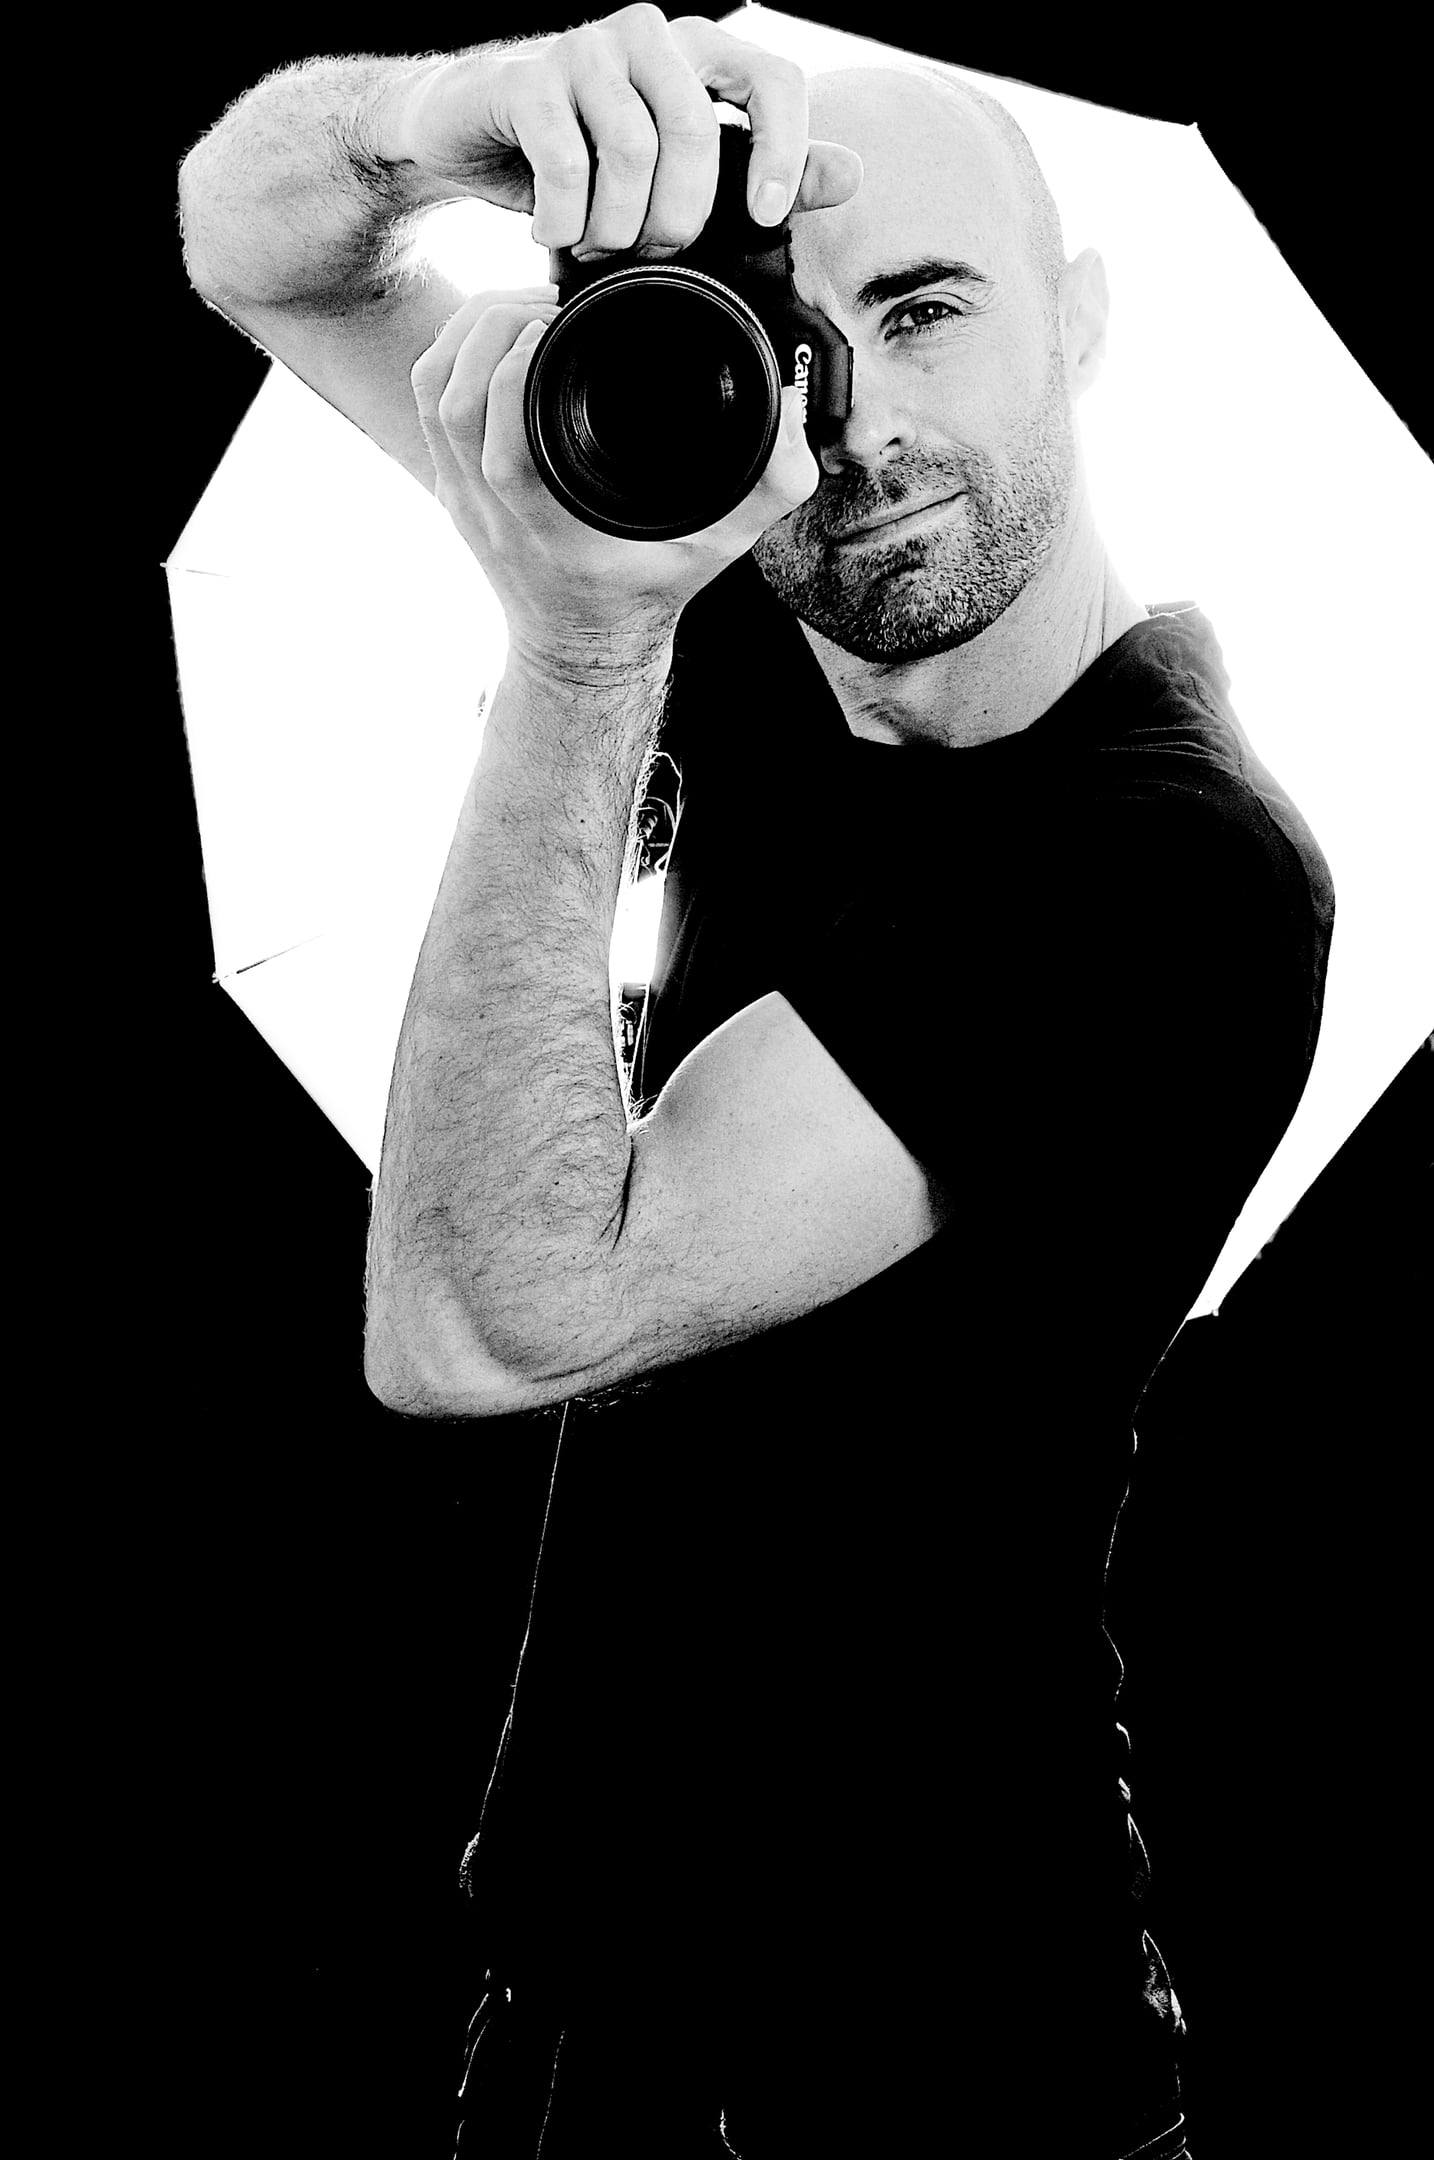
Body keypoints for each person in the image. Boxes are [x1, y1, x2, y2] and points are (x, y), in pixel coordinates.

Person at [178, 12, 1334, 2154]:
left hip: (934, 2080)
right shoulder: (739, 568)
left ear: (1078, 320)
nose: (862, 425)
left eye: (928, 310)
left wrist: (576, 647)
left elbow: (488, 1319)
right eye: (802, 343)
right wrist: (443, 122)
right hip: (580, 2021)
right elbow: (249, 233)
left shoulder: (1172, 866)